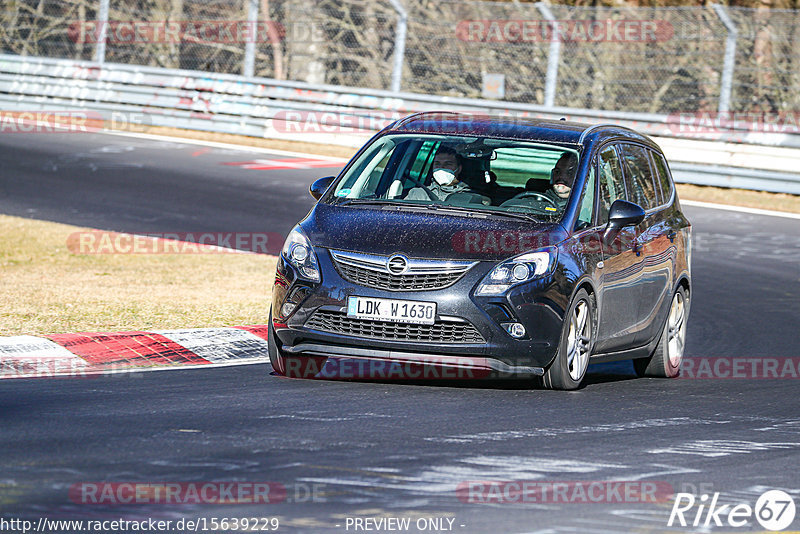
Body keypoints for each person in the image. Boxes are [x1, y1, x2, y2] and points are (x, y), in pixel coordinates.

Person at [406, 145, 475, 202]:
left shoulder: (471, 197)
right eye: (437, 164)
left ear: (459, 169)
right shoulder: (418, 194)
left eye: (448, 164)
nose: (441, 167)